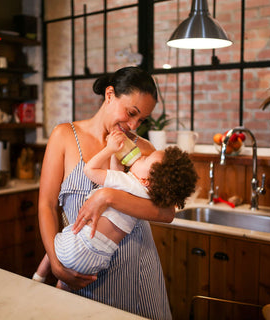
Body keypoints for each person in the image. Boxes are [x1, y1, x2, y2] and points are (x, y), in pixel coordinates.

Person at [38, 66, 180, 319]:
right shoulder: (64, 136)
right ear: (110, 94)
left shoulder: (143, 149)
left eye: (141, 119)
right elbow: (47, 205)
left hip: (136, 271)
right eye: (131, 113)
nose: (133, 124)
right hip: (84, 271)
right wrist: (56, 265)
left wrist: (109, 196)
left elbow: (168, 212)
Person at [33, 130, 198, 290]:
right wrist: (118, 154)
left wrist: (109, 149)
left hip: (79, 246)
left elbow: (90, 170)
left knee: (58, 243)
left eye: (146, 159)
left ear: (146, 180)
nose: (142, 156)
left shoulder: (126, 181)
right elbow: (115, 173)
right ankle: (60, 287)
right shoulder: (148, 197)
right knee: (67, 281)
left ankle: (38, 276)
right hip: (96, 261)